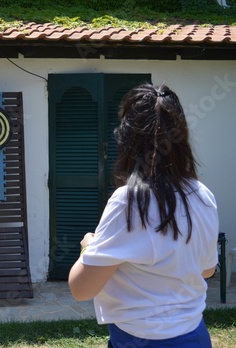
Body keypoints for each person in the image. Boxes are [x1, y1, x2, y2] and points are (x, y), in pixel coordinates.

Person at [68, 83, 219, 347]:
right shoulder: (202, 194)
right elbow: (207, 270)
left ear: (126, 139)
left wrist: (88, 248)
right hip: (195, 335)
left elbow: (82, 289)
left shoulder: (129, 201)